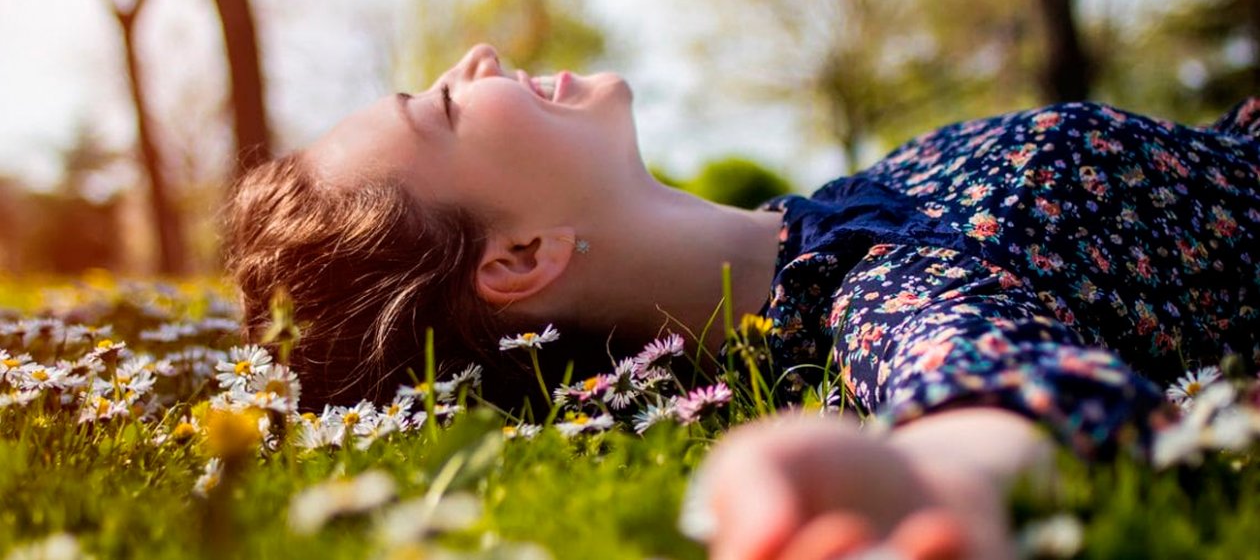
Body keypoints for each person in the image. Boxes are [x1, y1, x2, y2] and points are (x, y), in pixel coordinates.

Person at [222, 43, 1259, 559]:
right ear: (519, 258)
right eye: (446, 104)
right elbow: (985, 388)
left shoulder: (843, 220)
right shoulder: (876, 293)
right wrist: (928, 483)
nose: (479, 57)